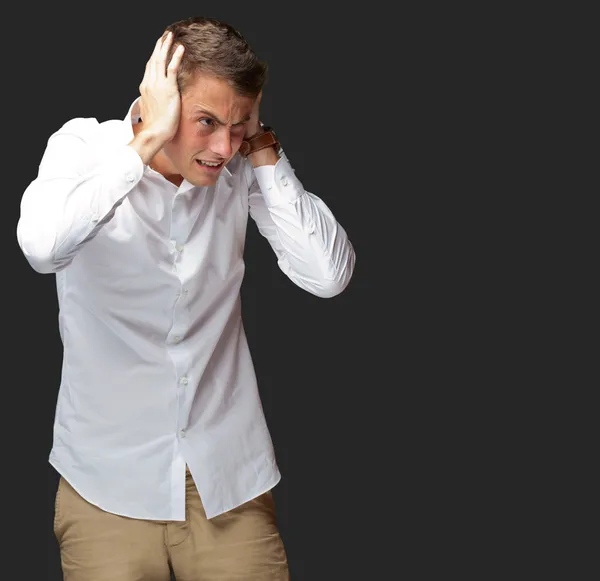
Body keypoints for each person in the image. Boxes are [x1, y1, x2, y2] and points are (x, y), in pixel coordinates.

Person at [16, 15, 355, 581]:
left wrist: (264, 147)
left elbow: (328, 275)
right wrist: (144, 142)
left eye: (238, 124)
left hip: (228, 481)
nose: (223, 146)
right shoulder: (82, 147)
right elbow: (42, 248)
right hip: (106, 484)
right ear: (160, 101)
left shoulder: (240, 162)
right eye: (206, 122)